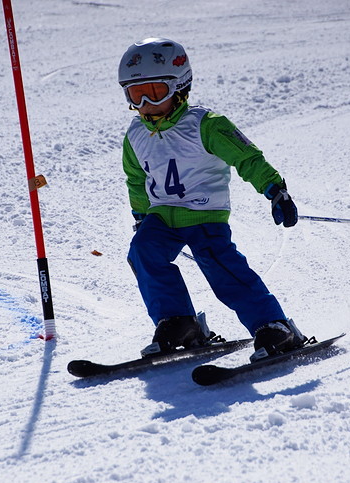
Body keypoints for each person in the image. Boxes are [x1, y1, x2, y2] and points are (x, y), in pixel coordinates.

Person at [119, 37, 307, 360]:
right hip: (162, 216)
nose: (146, 104)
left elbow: (247, 157)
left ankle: (274, 326)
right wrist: (140, 216)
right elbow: (137, 179)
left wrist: (275, 190)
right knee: (143, 251)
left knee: (220, 266)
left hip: (204, 215)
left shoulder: (205, 126)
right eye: (136, 95)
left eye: (155, 92)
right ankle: (178, 321)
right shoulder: (135, 136)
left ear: (179, 88)